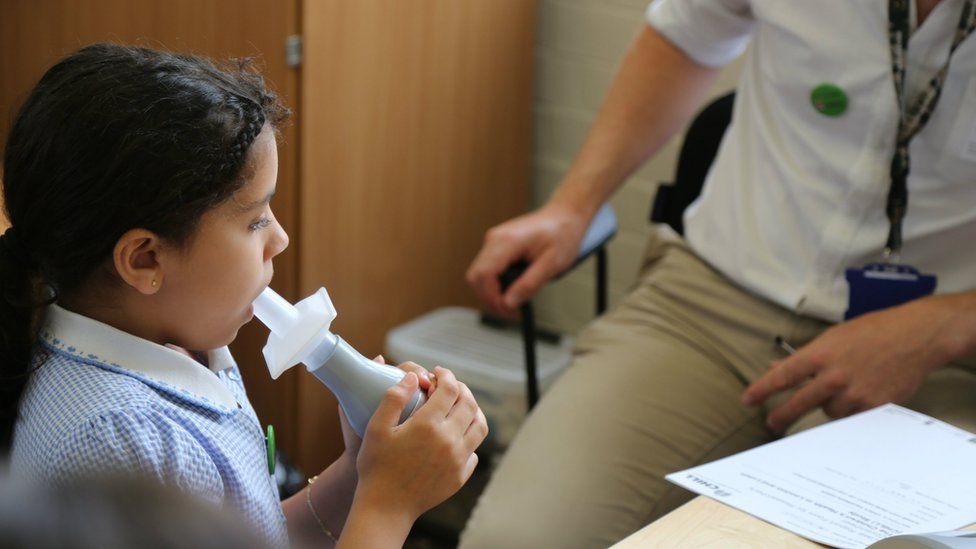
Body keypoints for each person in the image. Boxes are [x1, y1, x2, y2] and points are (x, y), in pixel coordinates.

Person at [461, 0, 976, 547]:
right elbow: (687, 34)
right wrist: (572, 205)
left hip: (941, 356)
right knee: (515, 539)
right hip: (711, 303)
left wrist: (945, 325)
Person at [0, 43, 488, 548]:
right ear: (145, 259)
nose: (280, 239)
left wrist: (358, 474)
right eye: (256, 220)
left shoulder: (179, 340)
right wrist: (389, 503)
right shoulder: (117, 444)